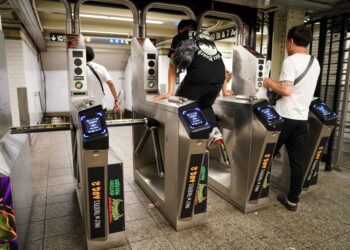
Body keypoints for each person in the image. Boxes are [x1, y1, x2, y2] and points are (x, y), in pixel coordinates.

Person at [263, 25, 320, 211]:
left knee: (264, 155)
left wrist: (268, 81)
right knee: (297, 161)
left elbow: (286, 90)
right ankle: (293, 200)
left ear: (291, 42)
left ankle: (253, 192)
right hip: (301, 119)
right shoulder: (315, 63)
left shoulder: (291, 61)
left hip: (285, 117)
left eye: (287, 43)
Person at [155, 19, 230, 146]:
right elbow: (219, 65)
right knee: (205, 104)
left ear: (180, 30)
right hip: (218, 79)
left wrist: (169, 92)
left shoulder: (180, 37)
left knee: (180, 103)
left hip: (199, 77)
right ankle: (214, 130)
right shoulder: (207, 38)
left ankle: (184, 141)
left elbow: (173, 64)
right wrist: (225, 90)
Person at [86, 45, 120, 112]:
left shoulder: (79, 71)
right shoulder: (100, 68)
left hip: (86, 107)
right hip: (100, 105)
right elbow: (110, 83)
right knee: (101, 122)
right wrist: (116, 100)